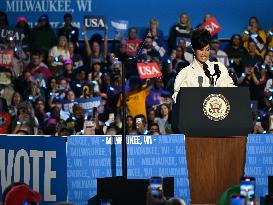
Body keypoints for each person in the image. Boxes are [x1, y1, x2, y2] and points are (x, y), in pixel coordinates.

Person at [172, 29, 235, 102]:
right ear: (193, 50)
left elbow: (231, 90)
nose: (204, 54)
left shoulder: (220, 68)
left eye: (207, 49)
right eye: (201, 50)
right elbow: (177, 98)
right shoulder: (185, 73)